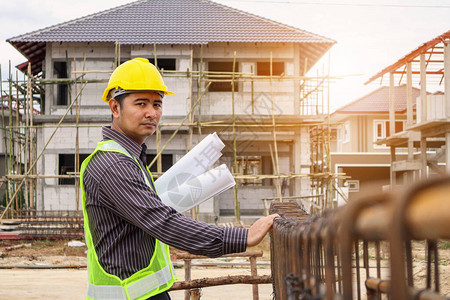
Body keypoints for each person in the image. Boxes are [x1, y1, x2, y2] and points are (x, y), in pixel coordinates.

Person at [80, 58, 279, 300]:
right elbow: (162, 221)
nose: (151, 113)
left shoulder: (129, 158)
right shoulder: (114, 164)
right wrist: (242, 237)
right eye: (140, 103)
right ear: (115, 108)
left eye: (157, 104)